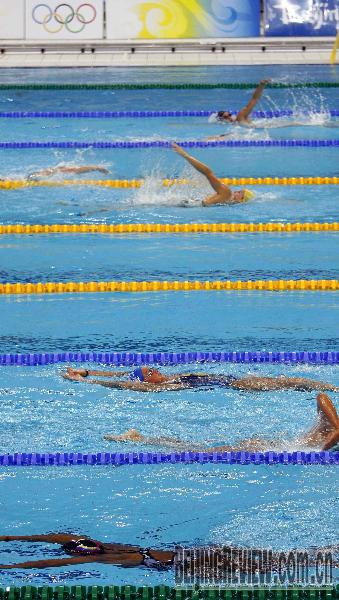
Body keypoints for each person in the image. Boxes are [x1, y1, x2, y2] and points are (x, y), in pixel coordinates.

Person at [104, 393, 339, 453]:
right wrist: (322, 449)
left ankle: (142, 438)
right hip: (263, 446)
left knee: (198, 448)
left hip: (265, 446)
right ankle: (140, 438)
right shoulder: (332, 428)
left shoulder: (331, 430)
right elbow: (322, 397)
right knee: (200, 449)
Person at [0, 532, 336, 574]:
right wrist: (9, 538)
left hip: (192, 563)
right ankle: (327, 553)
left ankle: (328, 555)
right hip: (190, 553)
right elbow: (53, 539)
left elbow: (53, 557)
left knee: (270, 567)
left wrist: (12, 567)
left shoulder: (109, 557)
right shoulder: (109, 547)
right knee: (277, 560)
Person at [62, 366, 339, 394]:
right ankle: (328, 388)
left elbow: (122, 374)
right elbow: (122, 383)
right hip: (231, 385)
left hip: (228, 378)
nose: (156, 371)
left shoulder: (166, 379)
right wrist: (86, 383)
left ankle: (329, 386)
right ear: (146, 383)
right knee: (282, 382)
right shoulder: (161, 389)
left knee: (283, 380)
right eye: (150, 373)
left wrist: (90, 371)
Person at [172, 143, 254, 205]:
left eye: (240, 192)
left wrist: (185, 155)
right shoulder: (226, 201)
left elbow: (208, 172)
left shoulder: (227, 193)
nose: (236, 191)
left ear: (241, 199)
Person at [26, 164, 110, 181]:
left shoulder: (54, 172)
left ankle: (96, 167)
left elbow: (76, 170)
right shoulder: (52, 173)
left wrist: (97, 168)